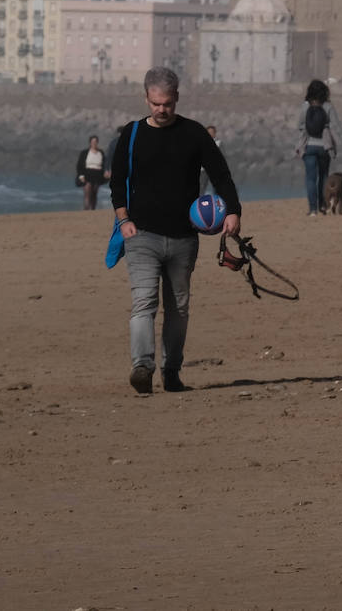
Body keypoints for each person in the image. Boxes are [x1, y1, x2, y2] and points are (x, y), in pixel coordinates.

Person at [111, 67, 241, 395]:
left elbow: (221, 174)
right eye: (155, 103)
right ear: (146, 99)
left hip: (184, 237)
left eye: (167, 103)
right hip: (141, 235)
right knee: (144, 301)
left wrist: (234, 211)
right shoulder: (132, 134)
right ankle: (142, 366)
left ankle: (172, 371)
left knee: (178, 307)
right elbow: (117, 181)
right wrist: (124, 220)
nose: (161, 109)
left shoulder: (195, 134)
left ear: (177, 98)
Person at [295, 80, 341, 215]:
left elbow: (299, 125)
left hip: (308, 146)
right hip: (324, 147)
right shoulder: (328, 106)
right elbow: (336, 126)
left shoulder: (305, 106)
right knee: (324, 176)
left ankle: (313, 209)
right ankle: (323, 205)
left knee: (310, 178)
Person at [76, 135, 109, 210]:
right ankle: (86, 209)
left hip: (98, 175)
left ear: (97, 142)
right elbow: (79, 165)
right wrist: (81, 176)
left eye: (95, 142)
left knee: (94, 193)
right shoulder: (84, 153)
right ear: (90, 142)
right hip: (87, 174)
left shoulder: (101, 152)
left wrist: (106, 172)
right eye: (93, 142)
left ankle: (93, 210)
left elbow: (104, 164)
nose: (94, 143)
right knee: (87, 192)